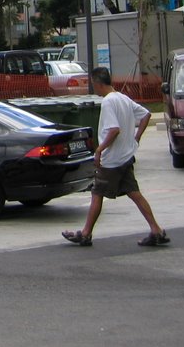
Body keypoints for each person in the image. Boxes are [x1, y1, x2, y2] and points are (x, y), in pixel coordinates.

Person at [63, 67, 170, 247]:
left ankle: (86, 233)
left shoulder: (108, 102)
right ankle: (156, 230)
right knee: (134, 193)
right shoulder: (123, 98)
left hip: (111, 160)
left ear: (98, 83)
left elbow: (113, 130)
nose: (93, 88)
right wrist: (135, 139)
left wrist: (99, 150)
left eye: (93, 84)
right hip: (125, 157)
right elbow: (146, 115)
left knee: (97, 192)